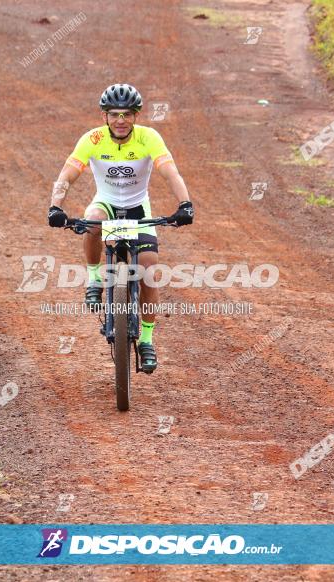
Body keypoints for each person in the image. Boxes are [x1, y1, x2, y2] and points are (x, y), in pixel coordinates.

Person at [47, 83, 194, 373]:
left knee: (150, 270)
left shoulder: (148, 138)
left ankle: (147, 340)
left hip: (139, 209)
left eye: (127, 114)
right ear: (104, 116)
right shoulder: (93, 139)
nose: (120, 120)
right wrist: (55, 206)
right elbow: (68, 173)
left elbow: (169, 171)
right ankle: (93, 279)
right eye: (114, 114)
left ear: (136, 115)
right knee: (92, 221)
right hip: (107, 203)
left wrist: (185, 203)